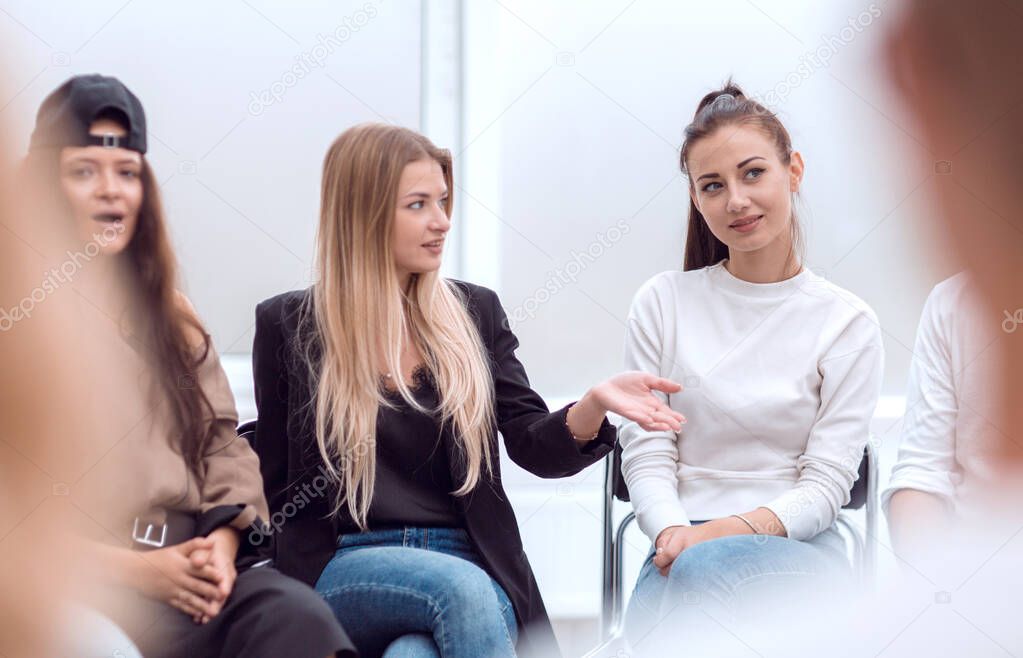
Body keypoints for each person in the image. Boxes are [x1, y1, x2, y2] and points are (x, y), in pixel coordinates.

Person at [251, 122, 685, 658]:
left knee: (413, 653)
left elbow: (531, 443)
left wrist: (592, 404)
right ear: (362, 214)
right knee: (458, 593)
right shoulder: (290, 325)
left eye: (443, 201)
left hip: (471, 557)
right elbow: (273, 486)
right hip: (347, 564)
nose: (441, 222)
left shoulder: (475, 314)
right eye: (417, 205)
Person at [25, 74, 355, 658]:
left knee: (296, 618)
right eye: (84, 172)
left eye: (127, 173)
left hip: (197, 568)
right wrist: (139, 573)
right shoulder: (23, 328)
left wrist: (222, 549)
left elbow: (222, 446)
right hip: (79, 584)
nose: (111, 191)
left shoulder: (172, 318)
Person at [619, 82, 884, 654]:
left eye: (753, 173)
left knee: (695, 583)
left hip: (801, 553)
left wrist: (715, 536)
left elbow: (825, 487)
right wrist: (672, 532)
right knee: (686, 587)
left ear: (794, 171)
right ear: (696, 198)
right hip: (677, 551)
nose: (735, 199)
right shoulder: (663, 302)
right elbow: (645, 451)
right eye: (713, 186)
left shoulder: (846, 322)